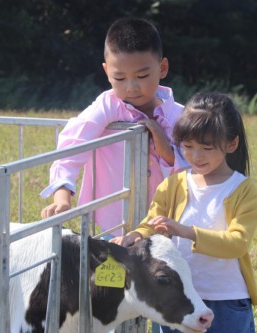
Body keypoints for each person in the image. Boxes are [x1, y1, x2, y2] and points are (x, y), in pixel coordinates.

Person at [111, 92, 257, 333]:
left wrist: (187, 232)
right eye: (188, 146)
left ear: (231, 144)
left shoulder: (242, 190)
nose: (195, 156)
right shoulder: (173, 184)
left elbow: (238, 243)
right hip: (176, 297)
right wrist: (135, 236)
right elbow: (152, 224)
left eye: (206, 148)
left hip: (225, 300)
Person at [40, 17, 189, 237]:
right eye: (119, 77)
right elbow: (73, 145)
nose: (131, 87)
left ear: (162, 67)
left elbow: (196, 168)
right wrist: (62, 195)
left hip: (168, 225)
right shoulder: (108, 105)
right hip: (115, 225)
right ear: (106, 71)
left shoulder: (180, 116)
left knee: (163, 271)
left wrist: (164, 146)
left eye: (142, 75)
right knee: (113, 270)